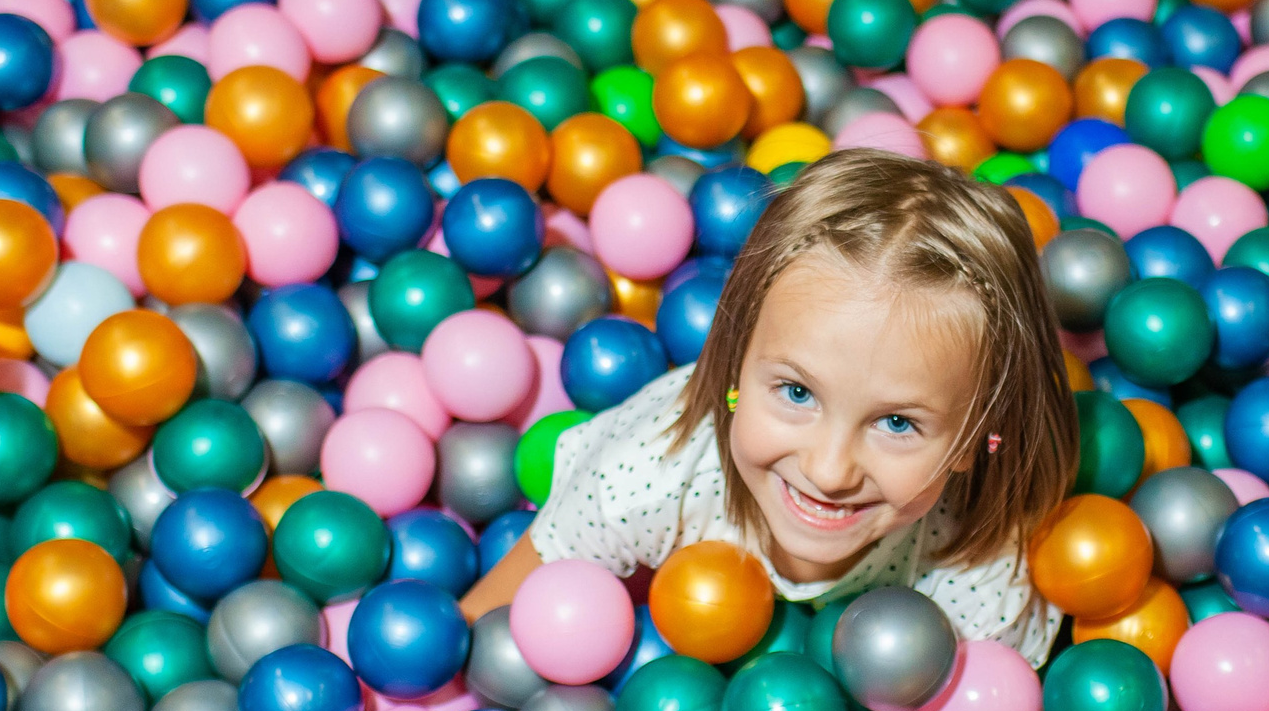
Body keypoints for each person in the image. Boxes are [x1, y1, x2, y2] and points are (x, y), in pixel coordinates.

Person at [463, 147, 1080, 659]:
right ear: (734, 363)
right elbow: (477, 632)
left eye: (897, 423)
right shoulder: (647, 476)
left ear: (976, 438)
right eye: (797, 392)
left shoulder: (979, 557)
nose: (828, 470)